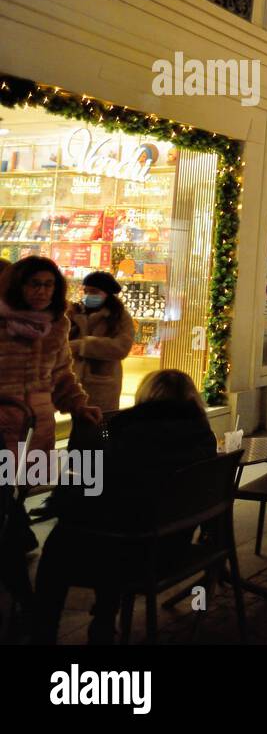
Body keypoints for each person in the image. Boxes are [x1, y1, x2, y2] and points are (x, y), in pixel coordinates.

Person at [31, 369, 215, 644]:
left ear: (146, 396)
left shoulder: (124, 432)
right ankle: (103, 620)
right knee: (116, 526)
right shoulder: (203, 436)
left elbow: (85, 492)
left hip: (131, 555)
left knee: (63, 543)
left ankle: (44, 633)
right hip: (171, 550)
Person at [0, 257, 101, 628]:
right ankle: (28, 602)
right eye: (34, 284)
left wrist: (79, 405)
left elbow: (62, 376)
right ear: (17, 286)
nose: (42, 291)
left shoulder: (58, 326)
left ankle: (26, 603)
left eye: (48, 285)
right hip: (1, 433)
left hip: (36, 432)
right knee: (6, 516)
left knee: (12, 509)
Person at [66, 271, 135, 415]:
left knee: (102, 427)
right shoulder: (76, 312)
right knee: (78, 427)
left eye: (94, 291)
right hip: (74, 383)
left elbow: (122, 347)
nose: (88, 295)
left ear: (107, 294)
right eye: (86, 291)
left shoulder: (119, 316)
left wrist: (83, 345)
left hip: (104, 384)